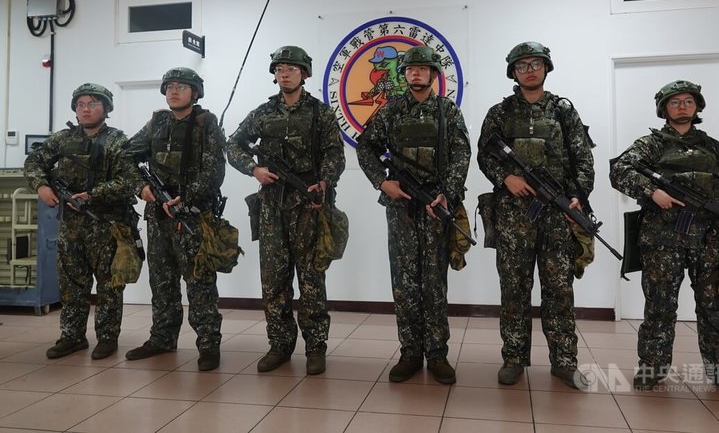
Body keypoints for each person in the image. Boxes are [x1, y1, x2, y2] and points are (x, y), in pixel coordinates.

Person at [609, 80, 719, 398]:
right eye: (674, 102)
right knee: (660, 308)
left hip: (710, 239)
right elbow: (619, 170)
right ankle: (651, 369)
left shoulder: (714, 148)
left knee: (715, 308)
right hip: (663, 240)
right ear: (664, 108)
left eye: (688, 101)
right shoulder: (650, 145)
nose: (681, 106)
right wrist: (653, 191)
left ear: (697, 106)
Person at [476, 42, 595, 387]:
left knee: (559, 290)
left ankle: (564, 360)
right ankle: (514, 357)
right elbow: (485, 156)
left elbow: (583, 160)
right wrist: (505, 178)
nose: (529, 69)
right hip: (514, 217)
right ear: (513, 71)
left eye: (536, 64)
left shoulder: (563, 112)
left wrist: (577, 197)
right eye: (522, 65)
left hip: (557, 218)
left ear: (546, 68)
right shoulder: (499, 113)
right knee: (514, 290)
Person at [227, 46, 345, 375]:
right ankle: (279, 344)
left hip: (309, 204)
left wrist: (325, 182)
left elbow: (335, 153)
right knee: (274, 281)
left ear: (305, 73)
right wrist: (254, 170)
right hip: (272, 208)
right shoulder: (264, 113)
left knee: (311, 280)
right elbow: (233, 144)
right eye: (279, 68)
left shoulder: (320, 113)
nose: (284, 73)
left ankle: (316, 347)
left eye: (291, 68)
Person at [356, 45, 470, 385]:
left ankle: (437, 354)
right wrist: (382, 182)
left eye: (422, 68)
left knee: (434, 282)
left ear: (434, 74)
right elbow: (366, 147)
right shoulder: (390, 112)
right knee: (404, 282)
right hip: (401, 208)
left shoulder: (447, 112)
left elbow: (461, 153)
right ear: (404, 75)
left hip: (436, 207)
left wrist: (445, 194)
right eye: (410, 69)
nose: (416, 73)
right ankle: (409, 352)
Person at [24, 83, 139, 360]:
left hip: (107, 224)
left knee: (110, 285)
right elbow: (34, 161)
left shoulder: (118, 142)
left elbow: (129, 181)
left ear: (106, 108)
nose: (85, 109)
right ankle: (72, 336)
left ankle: (107, 337)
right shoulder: (62, 140)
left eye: (92, 104)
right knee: (72, 284)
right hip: (72, 226)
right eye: (80, 104)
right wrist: (41, 186)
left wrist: (93, 195)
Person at [126, 67, 226, 372]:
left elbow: (214, 171)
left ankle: (208, 343)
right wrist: (141, 187)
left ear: (194, 92)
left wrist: (188, 196)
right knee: (162, 280)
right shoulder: (157, 123)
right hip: (158, 216)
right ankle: (162, 338)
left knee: (199, 282)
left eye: (181, 86)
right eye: (169, 86)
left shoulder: (205, 124)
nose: (173, 91)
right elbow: (126, 155)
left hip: (192, 215)